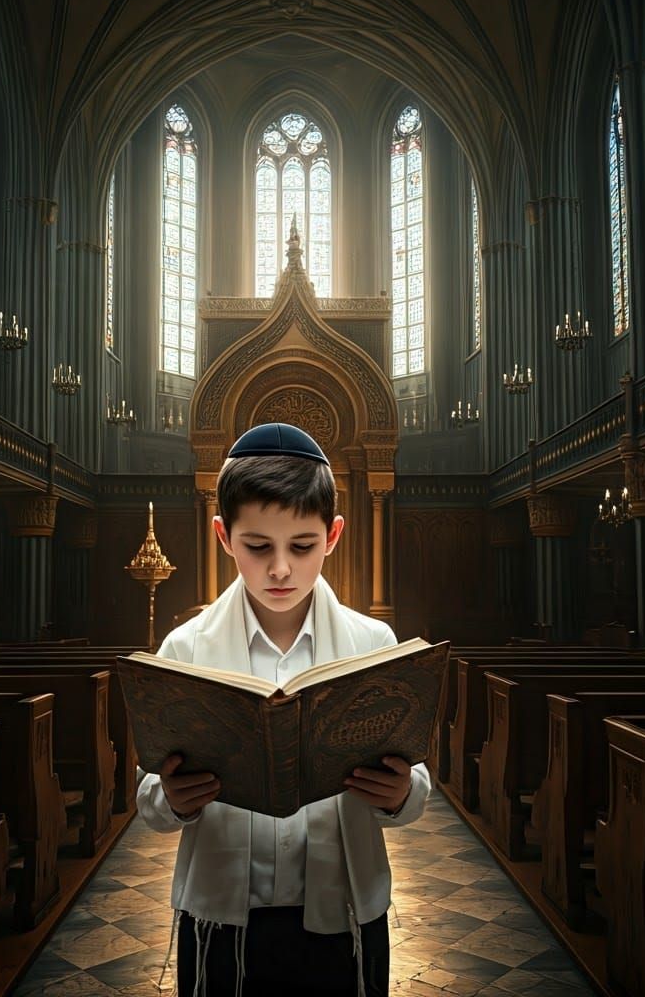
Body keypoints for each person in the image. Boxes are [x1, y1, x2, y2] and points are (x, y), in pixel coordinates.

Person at [136, 422, 431, 997]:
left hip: (343, 917)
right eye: (257, 546)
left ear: (333, 535)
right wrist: (170, 800)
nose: (280, 569)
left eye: (302, 546)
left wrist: (400, 796)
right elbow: (148, 796)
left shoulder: (374, 642)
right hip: (222, 921)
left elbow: (416, 784)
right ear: (223, 536)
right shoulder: (185, 649)